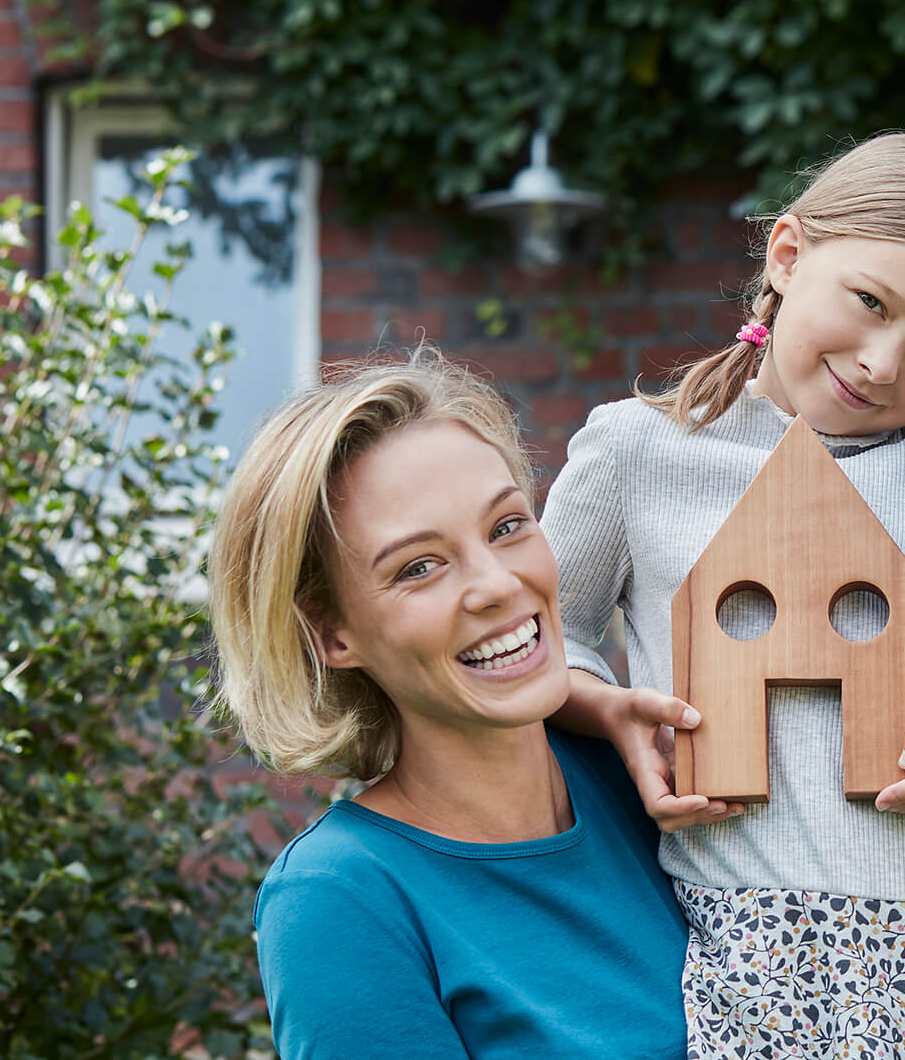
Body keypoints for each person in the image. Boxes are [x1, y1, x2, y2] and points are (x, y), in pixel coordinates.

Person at [543, 133, 905, 1058]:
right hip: (723, 944)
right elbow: (543, 635)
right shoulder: (635, 453)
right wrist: (607, 708)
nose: (885, 364)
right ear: (787, 254)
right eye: (869, 303)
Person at [208, 356, 692, 1060]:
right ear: (332, 634)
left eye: (506, 527)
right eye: (419, 567)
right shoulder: (340, 899)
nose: (498, 584)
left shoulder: (651, 774)